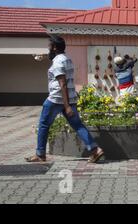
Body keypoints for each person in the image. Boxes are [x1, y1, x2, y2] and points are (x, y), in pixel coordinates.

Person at [26, 35, 104, 163]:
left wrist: (66, 106)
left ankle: (40, 155)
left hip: (56, 99)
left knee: (44, 125)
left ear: (55, 47)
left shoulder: (57, 62)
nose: (48, 48)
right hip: (70, 98)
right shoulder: (67, 59)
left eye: (49, 46)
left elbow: (62, 83)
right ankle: (95, 150)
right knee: (78, 125)